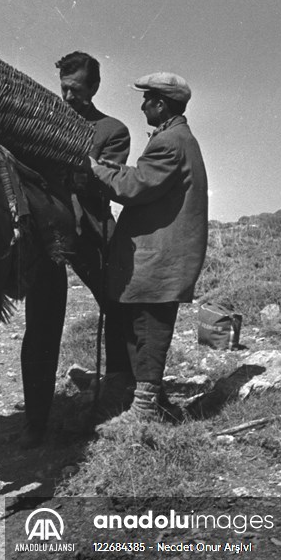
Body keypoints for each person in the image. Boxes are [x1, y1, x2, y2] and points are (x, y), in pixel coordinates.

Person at [18, 53, 130, 442]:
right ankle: (36, 422)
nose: (68, 97)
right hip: (48, 237)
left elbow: (105, 184)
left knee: (120, 309)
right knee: (41, 324)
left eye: (77, 90)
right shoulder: (41, 123)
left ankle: (118, 396)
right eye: (63, 88)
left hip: (92, 235)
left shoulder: (113, 131)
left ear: (94, 87)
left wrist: (77, 164)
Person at [89, 72, 208, 426]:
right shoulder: (175, 138)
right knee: (138, 324)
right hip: (159, 256)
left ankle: (144, 410)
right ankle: (142, 398)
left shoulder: (169, 142)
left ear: (161, 103)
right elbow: (143, 175)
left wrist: (95, 169)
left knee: (149, 328)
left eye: (147, 100)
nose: (142, 106)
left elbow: (137, 186)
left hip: (160, 258)